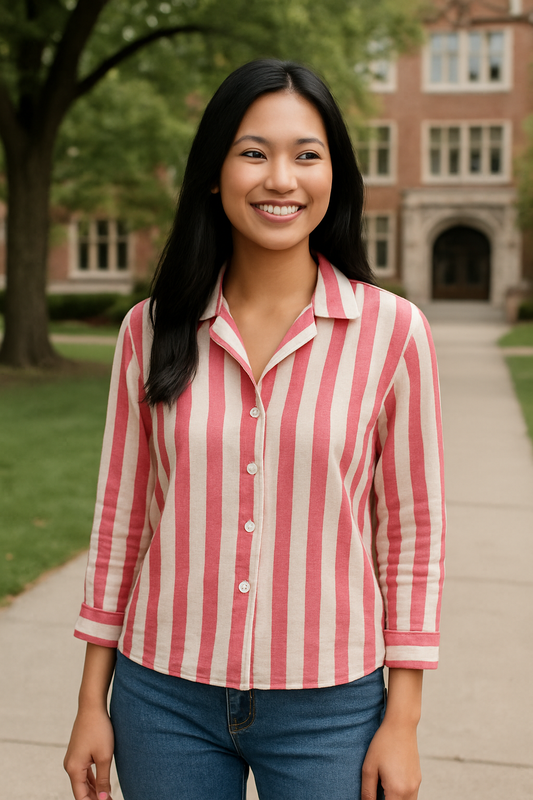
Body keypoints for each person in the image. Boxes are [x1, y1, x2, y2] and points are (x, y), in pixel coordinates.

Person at [64, 59, 445, 800]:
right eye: (253, 152)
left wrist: (402, 720)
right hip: (161, 696)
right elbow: (120, 523)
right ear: (214, 171)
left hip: (333, 707)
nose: (281, 179)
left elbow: (412, 535)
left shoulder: (393, 332)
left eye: (306, 154)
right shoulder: (150, 330)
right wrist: (89, 703)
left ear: (334, 173)